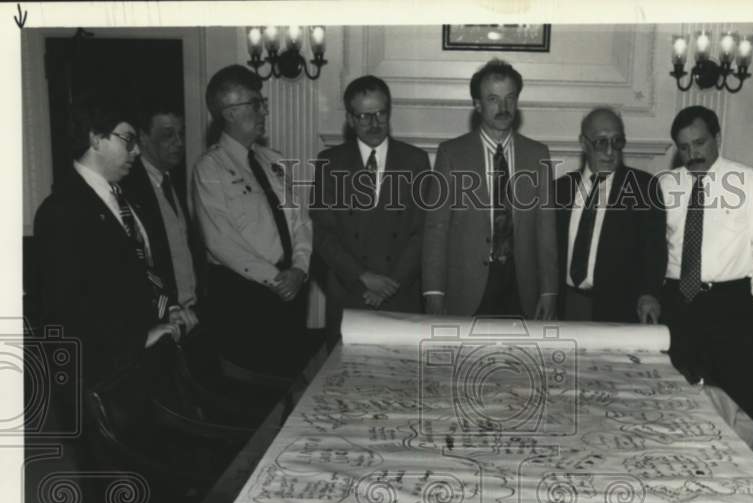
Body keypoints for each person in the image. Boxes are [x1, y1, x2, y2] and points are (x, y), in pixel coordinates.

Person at [34, 99, 179, 399]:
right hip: (109, 377)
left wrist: (170, 311)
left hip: (151, 365)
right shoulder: (60, 210)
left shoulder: (127, 199)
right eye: (128, 140)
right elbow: (66, 310)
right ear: (96, 138)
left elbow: (145, 270)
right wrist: (138, 340)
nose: (136, 151)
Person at [659, 105, 753, 416]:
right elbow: (657, 247)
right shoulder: (666, 184)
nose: (692, 154)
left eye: (699, 143)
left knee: (736, 402)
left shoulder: (748, 181)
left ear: (717, 137)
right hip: (678, 304)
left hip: (731, 306)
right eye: (684, 148)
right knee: (677, 400)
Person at [192, 65, 312, 372]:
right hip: (244, 296)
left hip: (291, 290)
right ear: (230, 112)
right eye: (256, 104)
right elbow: (221, 241)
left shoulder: (274, 161)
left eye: (263, 103)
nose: (264, 112)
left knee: (289, 379)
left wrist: (299, 269)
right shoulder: (210, 168)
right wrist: (276, 278)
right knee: (250, 385)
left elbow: (300, 221)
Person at [422, 59, 558, 319]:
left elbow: (546, 230)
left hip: (522, 288)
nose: (503, 108)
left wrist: (549, 291)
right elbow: (436, 228)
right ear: (477, 104)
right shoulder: (451, 154)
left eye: (510, 98)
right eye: (493, 99)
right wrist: (434, 291)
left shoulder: (537, 154)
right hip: (466, 287)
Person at [312, 75, 429, 334]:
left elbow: (421, 232)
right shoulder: (330, 163)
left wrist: (390, 284)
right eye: (364, 116)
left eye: (380, 113)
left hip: (400, 294)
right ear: (350, 119)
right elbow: (323, 234)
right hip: (350, 292)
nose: (374, 123)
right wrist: (362, 277)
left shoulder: (415, 161)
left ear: (389, 112)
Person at [554, 106, 666, 323]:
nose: (609, 151)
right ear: (583, 143)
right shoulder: (559, 189)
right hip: (566, 306)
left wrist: (649, 293)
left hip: (619, 310)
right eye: (601, 142)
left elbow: (655, 252)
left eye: (617, 142)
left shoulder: (644, 187)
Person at [122, 101, 203, 335]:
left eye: (181, 133)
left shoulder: (174, 180)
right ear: (143, 138)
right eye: (168, 135)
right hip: (160, 320)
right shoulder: (129, 188)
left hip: (191, 315)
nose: (179, 142)